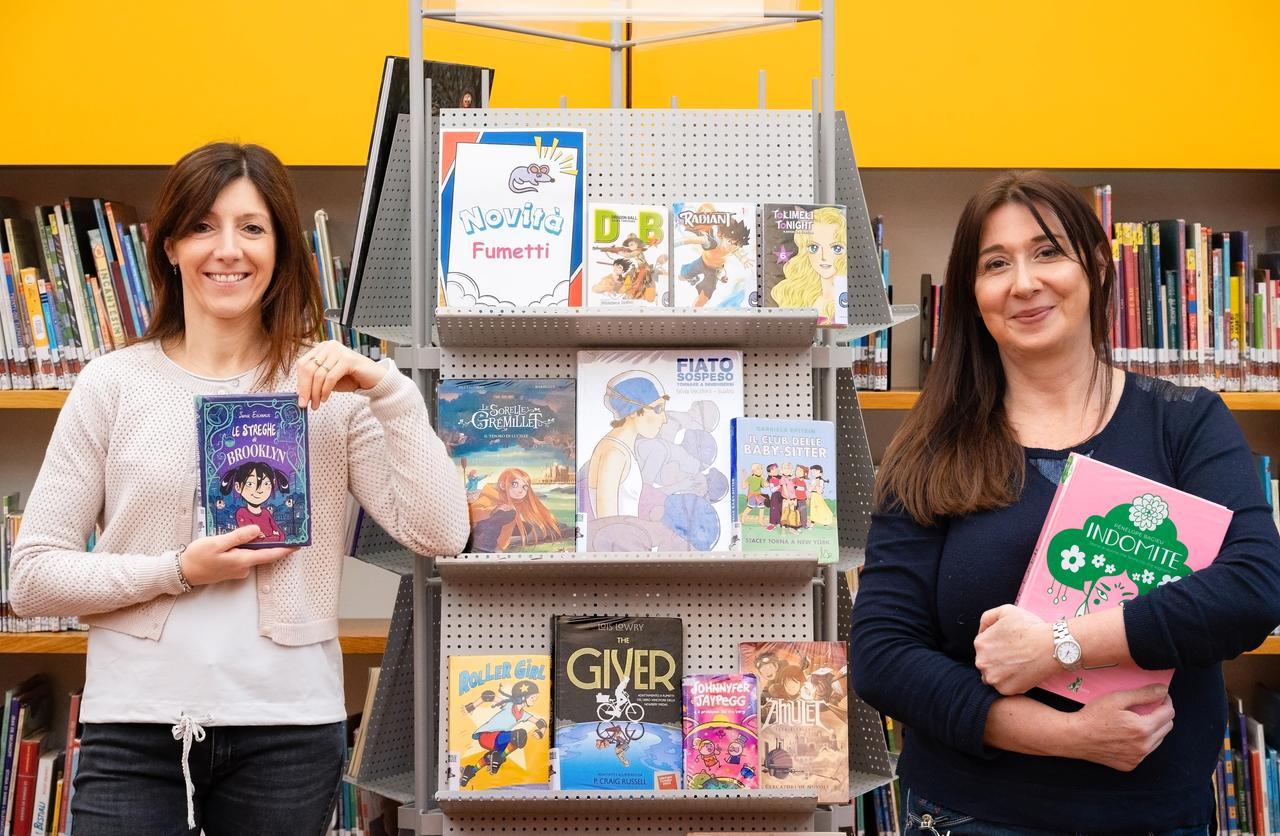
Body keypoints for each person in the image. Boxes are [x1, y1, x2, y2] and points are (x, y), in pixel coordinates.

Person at [9, 142, 470, 836]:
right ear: (169, 247)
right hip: (134, 727)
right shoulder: (113, 384)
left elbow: (442, 533)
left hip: (287, 731)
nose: (228, 250)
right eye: (203, 226)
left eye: (252, 228)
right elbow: (33, 578)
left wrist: (389, 389)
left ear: (281, 248)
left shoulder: (332, 392)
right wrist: (177, 571)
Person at [849, 170, 1280, 833]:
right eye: (996, 264)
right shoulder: (931, 448)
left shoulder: (1186, 422)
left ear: (1098, 267)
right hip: (969, 817)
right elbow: (883, 655)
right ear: (973, 294)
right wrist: (1063, 735)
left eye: (1047, 252)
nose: (1024, 282)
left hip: (1156, 816)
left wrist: (1059, 646)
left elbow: (1252, 589)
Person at [769, 205, 847, 324]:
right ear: (805, 251)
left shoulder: (841, 301)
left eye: (836, 248)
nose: (824, 257)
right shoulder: (799, 293)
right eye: (814, 248)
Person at [467, 467, 561, 552]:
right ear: (503, 485)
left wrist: (500, 548)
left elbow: (507, 529)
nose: (521, 490)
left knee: (526, 527)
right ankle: (484, 545)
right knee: (507, 515)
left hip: (496, 536)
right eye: (515, 484)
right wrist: (493, 510)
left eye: (525, 487)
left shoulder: (514, 504)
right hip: (480, 534)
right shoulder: (489, 495)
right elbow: (473, 514)